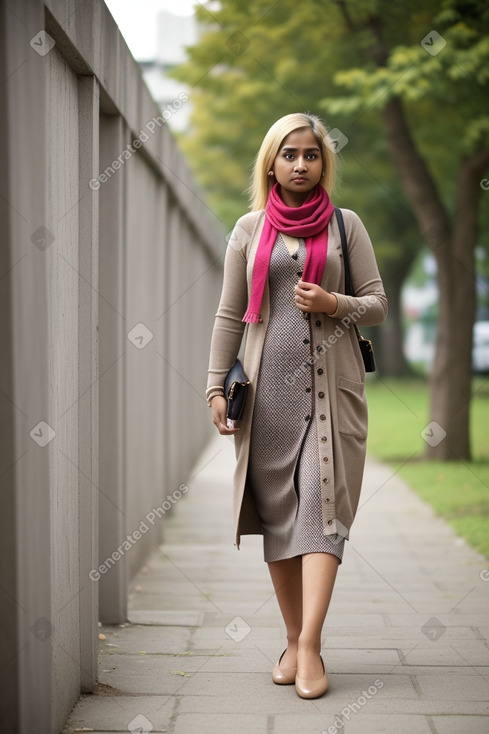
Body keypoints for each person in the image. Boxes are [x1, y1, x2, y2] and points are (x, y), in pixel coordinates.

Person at [205, 112, 388, 699]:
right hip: (265, 400)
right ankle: (291, 636)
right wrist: (214, 385)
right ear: (271, 163)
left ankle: (308, 645)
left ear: (323, 162)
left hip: (330, 397)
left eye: (311, 155)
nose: (301, 165)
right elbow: (230, 315)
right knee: (280, 518)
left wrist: (336, 302)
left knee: (321, 516)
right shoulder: (249, 229)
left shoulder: (345, 226)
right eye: (290, 155)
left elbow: (378, 303)